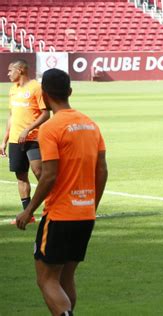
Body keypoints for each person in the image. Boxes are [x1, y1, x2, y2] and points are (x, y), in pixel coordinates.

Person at [15, 68, 108, 316]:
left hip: (59, 215)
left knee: (46, 279)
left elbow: (49, 175)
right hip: (85, 214)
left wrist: (28, 210)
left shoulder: (50, 128)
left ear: (44, 94)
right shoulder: (91, 125)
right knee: (66, 278)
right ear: (70, 91)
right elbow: (102, 171)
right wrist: (92, 206)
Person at [0, 59, 50, 223]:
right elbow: (11, 116)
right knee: (21, 177)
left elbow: (45, 113)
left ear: (20, 70)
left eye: (10, 70)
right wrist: (5, 139)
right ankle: (27, 214)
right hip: (15, 140)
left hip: (33, 138)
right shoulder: (13, 90)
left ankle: (54, 207)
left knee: (39, 173)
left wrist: (28, 129)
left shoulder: (36, 87)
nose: (8, 74)